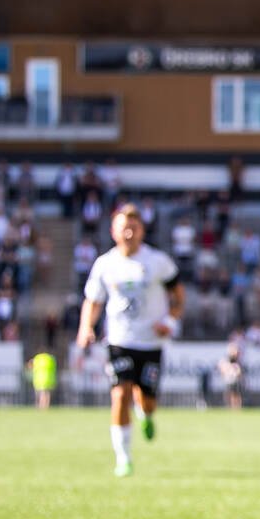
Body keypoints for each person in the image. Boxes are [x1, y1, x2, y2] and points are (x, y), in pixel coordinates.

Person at [77, 204, 183, 477]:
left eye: (133, 227)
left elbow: (178, 296)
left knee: (146, 400)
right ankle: (123, 458)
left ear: (141, 230)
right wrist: (86, 328)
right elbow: (93, 300)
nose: (128, 232)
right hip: (119, 340)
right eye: (123, 226)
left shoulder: (158, 261)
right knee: (120, 393)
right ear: (113, 231)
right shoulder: (105, 264)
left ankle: (146, 415)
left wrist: (169, 321)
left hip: (150, 343)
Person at [217, 341, 245, 410]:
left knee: (236, 394)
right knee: (229, 393)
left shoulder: (237, 361)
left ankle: (236, 407)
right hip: (229, 379)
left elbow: (239, 371)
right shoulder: (226, 360)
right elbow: (221, 367)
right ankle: (230, 406)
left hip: (235, 379)